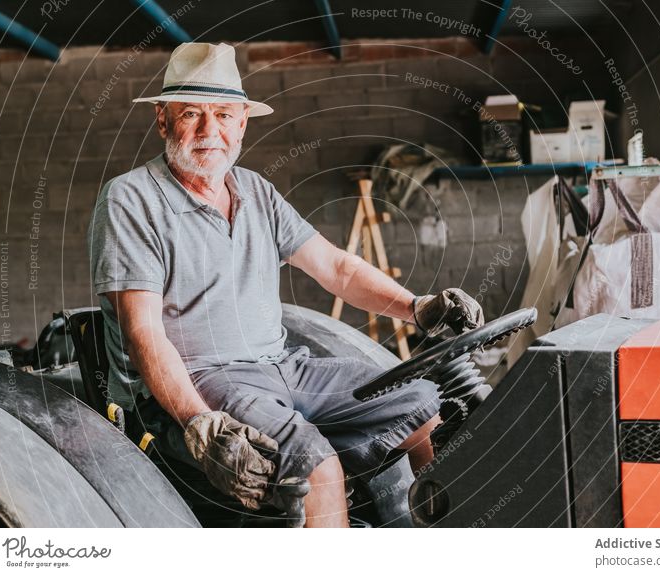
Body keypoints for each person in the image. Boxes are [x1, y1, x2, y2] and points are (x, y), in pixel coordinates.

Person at [87, 42, 483, 527]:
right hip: (201, 377)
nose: (210, 131)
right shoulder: (131, 199)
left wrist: (418, 307)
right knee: (315, 465)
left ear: (242, 124)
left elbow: (336, 268)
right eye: (191, 114)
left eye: (224, 115)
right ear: (163, 122)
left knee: (422, 408)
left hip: (283, 367)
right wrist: (198, 421)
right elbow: (142, 331)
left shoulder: (255, 190)